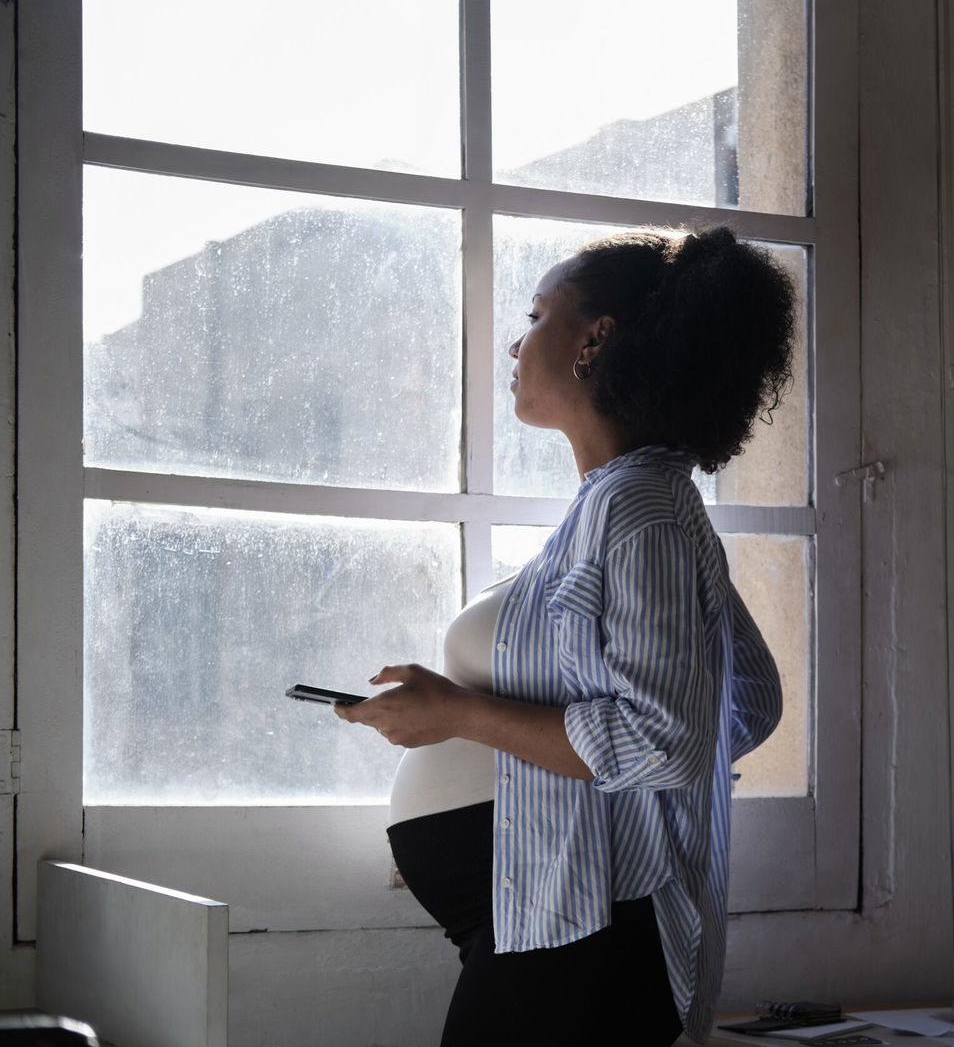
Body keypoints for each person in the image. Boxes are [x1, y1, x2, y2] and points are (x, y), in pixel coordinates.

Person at [335, 226, 791, 1045]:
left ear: (595, 339)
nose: (517, 339)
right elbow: (741, 699)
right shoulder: (622, 503)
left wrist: (463, 719)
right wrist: (591, 776)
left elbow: (668, 742)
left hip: (581, 932)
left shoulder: (636, 508)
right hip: (552, 918)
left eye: (538, 312)